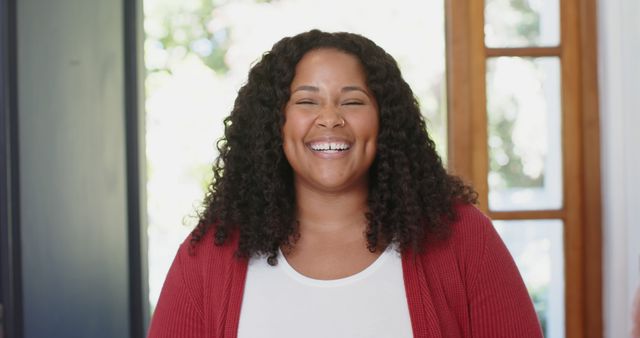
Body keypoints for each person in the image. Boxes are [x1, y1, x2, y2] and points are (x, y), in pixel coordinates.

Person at [147, 29, 543, 338]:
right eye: (306, 101)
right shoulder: (211, 253)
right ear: (274, 123)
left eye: (352, 101)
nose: (331, 118)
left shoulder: (460, 236)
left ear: (384, 120)